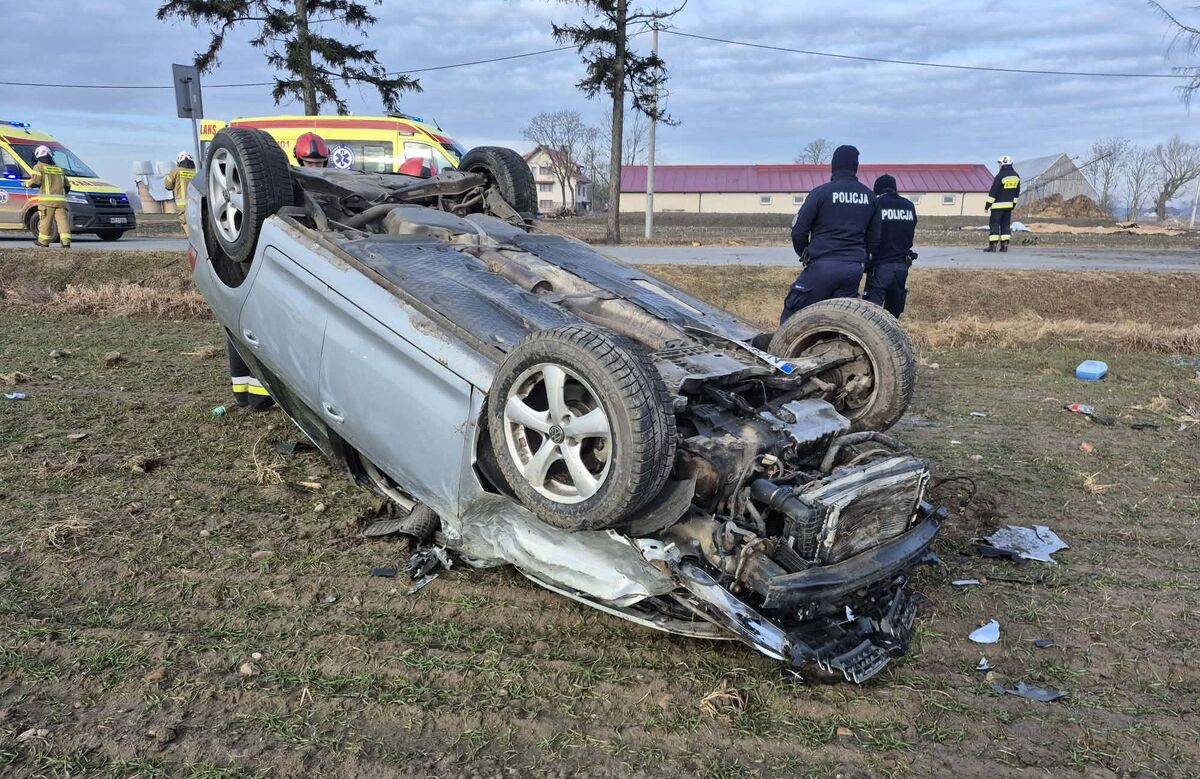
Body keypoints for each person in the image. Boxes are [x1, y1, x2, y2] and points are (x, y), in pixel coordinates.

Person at [781, 144, 880, 324]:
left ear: (834, 165)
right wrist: (862, 260)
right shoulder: (870, 197)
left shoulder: (820, 193)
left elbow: (799, 230)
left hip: (822, 266)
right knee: (838, 320)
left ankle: (783, 351)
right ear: (855, 166)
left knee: (794, 315)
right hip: (853, 269)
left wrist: (804, 252)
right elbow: (874, 239)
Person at [864, 174, 918, 318]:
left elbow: (868, 234)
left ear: (878, 189)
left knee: (870, 316)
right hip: (902, 267)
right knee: (893, 316)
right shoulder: (909, 206)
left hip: (880, 267)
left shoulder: (876, 204)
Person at [25, 145, 71, 248]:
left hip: (46, 202)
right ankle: (66, 243)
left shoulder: (39, 167)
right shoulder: (59, 169)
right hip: (61, 201)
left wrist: (26, 184)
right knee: (62, 221)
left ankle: (43, 242)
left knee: (45, 221)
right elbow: (67, 186)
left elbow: (36, 181)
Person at [985, 156, 1021, 252]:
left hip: (997, 206)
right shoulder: (1016, 176)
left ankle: (993, 246)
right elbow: (1017, 193)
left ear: (1002, 165)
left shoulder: (1000, 176)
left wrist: (987, 205)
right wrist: (1013, 204)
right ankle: (1004, 246)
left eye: (999, 164)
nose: (999, 166)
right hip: (1008, 206)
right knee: (1005, 225)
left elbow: (994, 191)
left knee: (994, 225)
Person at [162, 151, 196, 237]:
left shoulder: (175, 171)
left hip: (183, 205)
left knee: (186, 223)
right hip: (197, 203)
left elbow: (168, 186)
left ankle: (194, 245)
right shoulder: (197, 170)